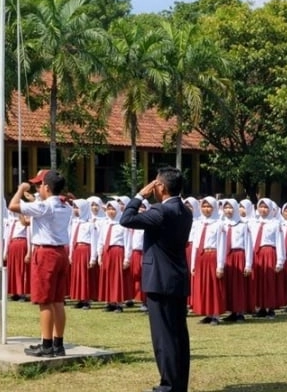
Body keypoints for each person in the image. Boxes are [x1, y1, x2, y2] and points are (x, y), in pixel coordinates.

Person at [119, 167, 192, 392]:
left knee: (164, 337)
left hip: (160, 280)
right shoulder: (185, 211)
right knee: (178, 334)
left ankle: (168, 385)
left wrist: (140, 195)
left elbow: (126, 219)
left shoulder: (161, 211)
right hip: (176, 277)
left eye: (155, 184)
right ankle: (178, 384)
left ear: (160, 187)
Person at [7, 170, 72, 357]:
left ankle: (46, 343)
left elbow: (13, 206)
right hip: (61, 251)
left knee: (44, 301)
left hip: (45, 253)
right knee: (58, 300)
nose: (38, 188)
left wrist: (20, 190)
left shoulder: (44, 207)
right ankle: (58, 343)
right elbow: (29, 221)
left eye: (40, 185)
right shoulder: (64, 206)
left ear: (46, 187)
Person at [189, 197, 226, 325]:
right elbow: (195, 244)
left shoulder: (219, 224)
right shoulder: (198, 223)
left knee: (214, 285)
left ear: (214, 208)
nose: (206, 209)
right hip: (201, 257)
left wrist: (220, 265)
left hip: (212, 256)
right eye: (204, 206)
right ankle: (207, 313)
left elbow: (221, 245)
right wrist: (193, 264)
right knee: (203, 285)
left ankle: (215, 314)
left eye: (209, 206)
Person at [96, 200, 132, 313]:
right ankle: (109, 302)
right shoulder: (105, 224)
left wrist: (127, 258)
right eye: (108, 209)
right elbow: (101, 240)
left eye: (113, 209)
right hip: (107, 252)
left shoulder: (122, 224)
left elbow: (127, 242)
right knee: (107, 276)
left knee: (117, 277)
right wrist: (99, 254)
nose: (111, 212)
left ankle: (119, 303)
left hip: (118, 251)